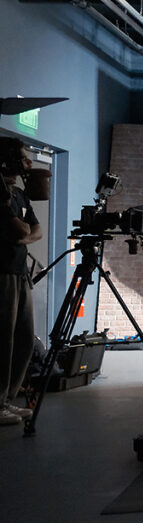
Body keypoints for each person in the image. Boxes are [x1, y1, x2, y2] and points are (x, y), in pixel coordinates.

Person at [0, 137, 41, 425]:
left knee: (24, 338)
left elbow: (35, 230)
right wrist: (24, 233)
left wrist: (25, 235)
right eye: (24, 158)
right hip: (2, 273)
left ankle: (6, 399)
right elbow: (19, 231)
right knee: (3, 340)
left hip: (20, 273)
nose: (28, 164)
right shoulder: (0, 195)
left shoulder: (18, 195)